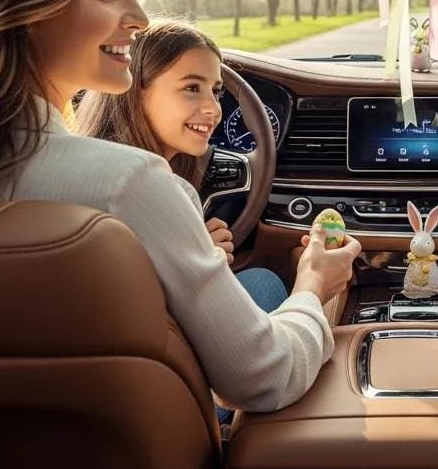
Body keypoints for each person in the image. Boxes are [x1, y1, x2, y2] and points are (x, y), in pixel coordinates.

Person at [0, 0, 361, 413]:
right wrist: (312, 285)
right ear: (26, 5)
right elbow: (264, 378)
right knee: (262, 283)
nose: (139, 16)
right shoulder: (128, 184)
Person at [76, 19, 288, 312]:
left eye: (216, 91)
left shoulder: (90, 163)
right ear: (132, 91)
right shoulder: (149, 187)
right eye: (191, 87)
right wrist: (314, 284)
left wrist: (195, 253)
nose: (213, 110)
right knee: (264, 282)